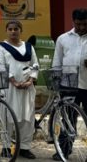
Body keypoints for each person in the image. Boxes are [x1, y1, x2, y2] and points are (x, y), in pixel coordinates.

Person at [0, 20, 38, 159]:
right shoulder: (1, 47)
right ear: (6, 31)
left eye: (16, 29)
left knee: (27, 117)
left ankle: (25, 147)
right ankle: (6, 146)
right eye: (10, 29)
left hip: (27, 87)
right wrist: (14, 81)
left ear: (20, 30)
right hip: (9, 88)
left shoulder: (29, 47)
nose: (13, 31)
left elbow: (35, 65)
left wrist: (30, 80)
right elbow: (1, 66)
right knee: (7, 116)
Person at [51, 8, 87, 161]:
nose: (82, 28)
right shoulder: (63, 39)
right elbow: (57, 62)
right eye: (79, 24)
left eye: (85, 24)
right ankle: (63, 150)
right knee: (67, 119)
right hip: (68, 85)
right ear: (73, 22)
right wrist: (56, 82)